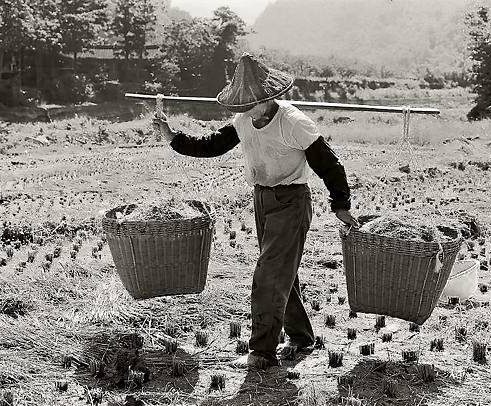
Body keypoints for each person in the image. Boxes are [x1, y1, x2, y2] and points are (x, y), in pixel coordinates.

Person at [152, 53, 359, 369]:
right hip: (262, 200)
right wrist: (173, 138)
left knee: (268, 275)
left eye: (246, 103)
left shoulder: (294, 123)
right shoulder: (243, 120)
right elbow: (212, 145)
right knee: (280, 274)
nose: (240, 109)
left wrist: (340, 206)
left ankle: (262, 351)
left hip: (292, 202)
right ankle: (302, 338)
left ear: (267, 99)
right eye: (238, 104)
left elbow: (330, 166)